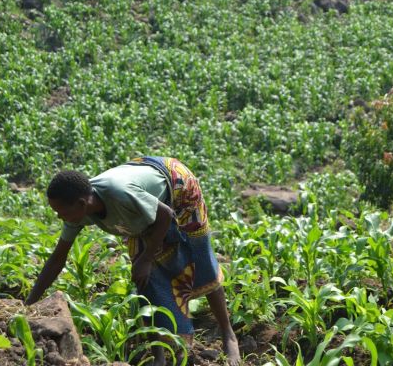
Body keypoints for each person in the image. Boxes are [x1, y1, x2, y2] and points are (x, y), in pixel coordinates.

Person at [25, 156, 241, 366]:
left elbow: (164, 214)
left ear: (81, 204)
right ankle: (159, 357)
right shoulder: (78, 213)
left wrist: (147, 258)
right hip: (141, 214)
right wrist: (28, 305)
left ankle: (228, 334)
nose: (59, 217)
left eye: (60, 212)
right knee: (144, 279)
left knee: (199, 258)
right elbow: (57, 258)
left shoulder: (119, 194)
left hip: (177, 185)